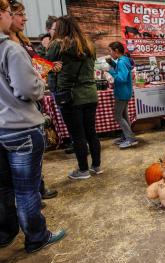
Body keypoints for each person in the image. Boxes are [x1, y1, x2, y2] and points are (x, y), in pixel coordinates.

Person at [0, 0, 65, 253]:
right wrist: (39, 81)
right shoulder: (11, 50)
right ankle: (36, 236)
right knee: (26, 190)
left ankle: (5, 233)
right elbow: (27, 90)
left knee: (3, 187)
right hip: (20, 128)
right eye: (8, 12)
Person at [8, 0, 58, 201]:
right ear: (7, 15)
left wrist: (46, 67)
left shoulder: (24, 42)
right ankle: (31, 197)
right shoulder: (9, 47)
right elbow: (24, 85)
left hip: (29, 106)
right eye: (19, 14)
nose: (25, 18)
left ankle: (38, 188)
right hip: (16, 108)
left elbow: (36, 66)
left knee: (34, 157)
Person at [45, 15, 101, 179]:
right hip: (90, 93)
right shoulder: (89, 44)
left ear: (60, 29)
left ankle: (83, 170)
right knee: (91, 132)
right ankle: (96, 166)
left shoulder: (57, 44)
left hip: (70, 96)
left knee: (77, 135)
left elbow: (46, 67)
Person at [106, 42, 138, 148]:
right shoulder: (123, 60)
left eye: (110, 51)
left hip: (122, 92)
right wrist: (112, 63)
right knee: (124, 115)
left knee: (118, 116)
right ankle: (126, 136)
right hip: (125, 92)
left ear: (116, 51)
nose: (110, 53)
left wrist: (110, 71)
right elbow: (122, 70)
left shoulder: (121, 62)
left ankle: (130, 138)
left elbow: (121, 78)